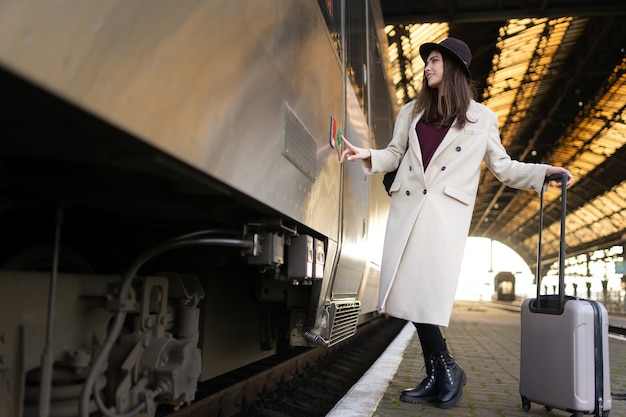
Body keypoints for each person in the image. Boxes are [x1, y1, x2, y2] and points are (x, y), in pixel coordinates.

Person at [339, 37, 574, 409]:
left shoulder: (483, 118)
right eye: (427, 62)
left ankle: (443, 370)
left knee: (423, 297)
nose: (427, 68)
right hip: (408, 208)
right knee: (406, 293)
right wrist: (367, 153)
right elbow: (395, 153)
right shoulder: (411, 111)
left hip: (444, 215)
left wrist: (545, 173)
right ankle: (442, 370)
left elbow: (504, 167)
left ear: (453, 69)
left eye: (433, 61)